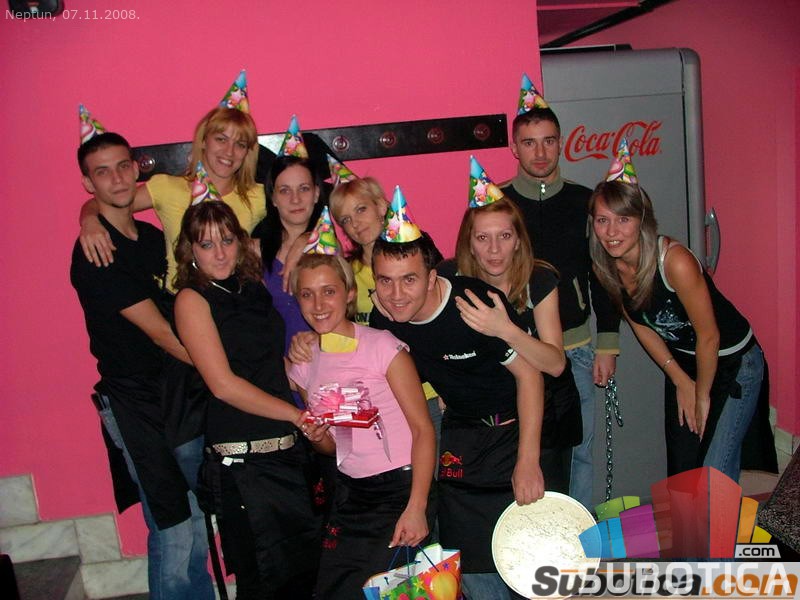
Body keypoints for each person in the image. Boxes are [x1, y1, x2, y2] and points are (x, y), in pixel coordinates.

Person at [369, 191, 545, 599]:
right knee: (469, 559)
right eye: (385, 281)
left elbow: (531, 377)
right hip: (462, 433)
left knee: (527, 559)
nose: (396, 294)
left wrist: (528, 460)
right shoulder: (385, 318)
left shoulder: (473, 304)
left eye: (409, 279)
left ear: (432, 277)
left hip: (519, 427)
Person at [70, 132, 214, 600]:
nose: (116, 179)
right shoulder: (95, 253)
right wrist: (221, 375)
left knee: (196, 513)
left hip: (177, 392)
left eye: (122, 166)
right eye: (102, 172)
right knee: (172, 523)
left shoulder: (152, 238)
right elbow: (162, 333)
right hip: (134, 400)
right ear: (88, 183)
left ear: (136, 169)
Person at [589, 142, 777, 482]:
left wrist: (701, 394)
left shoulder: (674, 261)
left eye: (623, 219)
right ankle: (697, 523)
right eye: (603, 220)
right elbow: (640, 324)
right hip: (686, 363)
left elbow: (709, 336)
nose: (611, 232)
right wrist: (679, 378)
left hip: (732, 360)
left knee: (713, 470)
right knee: (684, 474)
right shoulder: (606, 267)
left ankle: (725, 519)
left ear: (642, 220)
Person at [173, 202, 320, 599]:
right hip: (243, 463)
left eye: (226, 240)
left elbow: (272, 361)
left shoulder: (252, 287)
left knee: (303, 578)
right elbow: (223, 385)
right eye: (207, 244)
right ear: (190, 250)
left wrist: (307, 376)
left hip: (288, 453)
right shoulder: (192, 299)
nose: (220, 253)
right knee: (261, 581)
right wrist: (296, 414)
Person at [287, 252, 435, 600]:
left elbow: (423, 429)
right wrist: (316, 438)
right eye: (307, 294)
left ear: (349, 293)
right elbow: (333, 446)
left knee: (394, 593)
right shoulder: (305, 362)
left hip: (400, 490)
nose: (318, 304)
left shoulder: (382, 346)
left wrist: (417, 507)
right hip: (351, 494)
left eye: (329, 291)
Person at [502, 92, 620, 508]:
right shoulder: (496, 205)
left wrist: (607, 343)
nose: (540, 152)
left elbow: (603, 276)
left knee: (579, 453)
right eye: (529, 142)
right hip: (514, 352)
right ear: (514, 147)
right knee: (520, 453)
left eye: (549, 141)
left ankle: (578, 537)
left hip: (576, 351)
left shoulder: (584, 202)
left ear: (561, 143)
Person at [442, 164, 582, 493]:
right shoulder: (450, 279)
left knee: (545, 505)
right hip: (484, 416)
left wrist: (505, 329)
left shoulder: (539, 280)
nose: (494, 249)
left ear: (518, 240)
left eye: (504, 236)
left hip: (547, 412)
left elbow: (555, 363)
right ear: (469, 243)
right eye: (483, 238)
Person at [327, 177, 445, 436]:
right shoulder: (347, 273)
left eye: (361, 209)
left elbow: (442, 320)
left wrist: (449, 383)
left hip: (428, 391)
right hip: (379, 396)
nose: (355, 223)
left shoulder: (415, 255)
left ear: (381, 206)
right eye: (345, 219)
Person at [255, 155, 323, 368]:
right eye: (285, 190)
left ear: (316, 193)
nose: (295, 199)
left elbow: (343, 317)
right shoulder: (253, 251)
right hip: (272, 370)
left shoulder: (329, 248)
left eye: (304, 188)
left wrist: (307, 239)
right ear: (273, 198)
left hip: (323, 365)